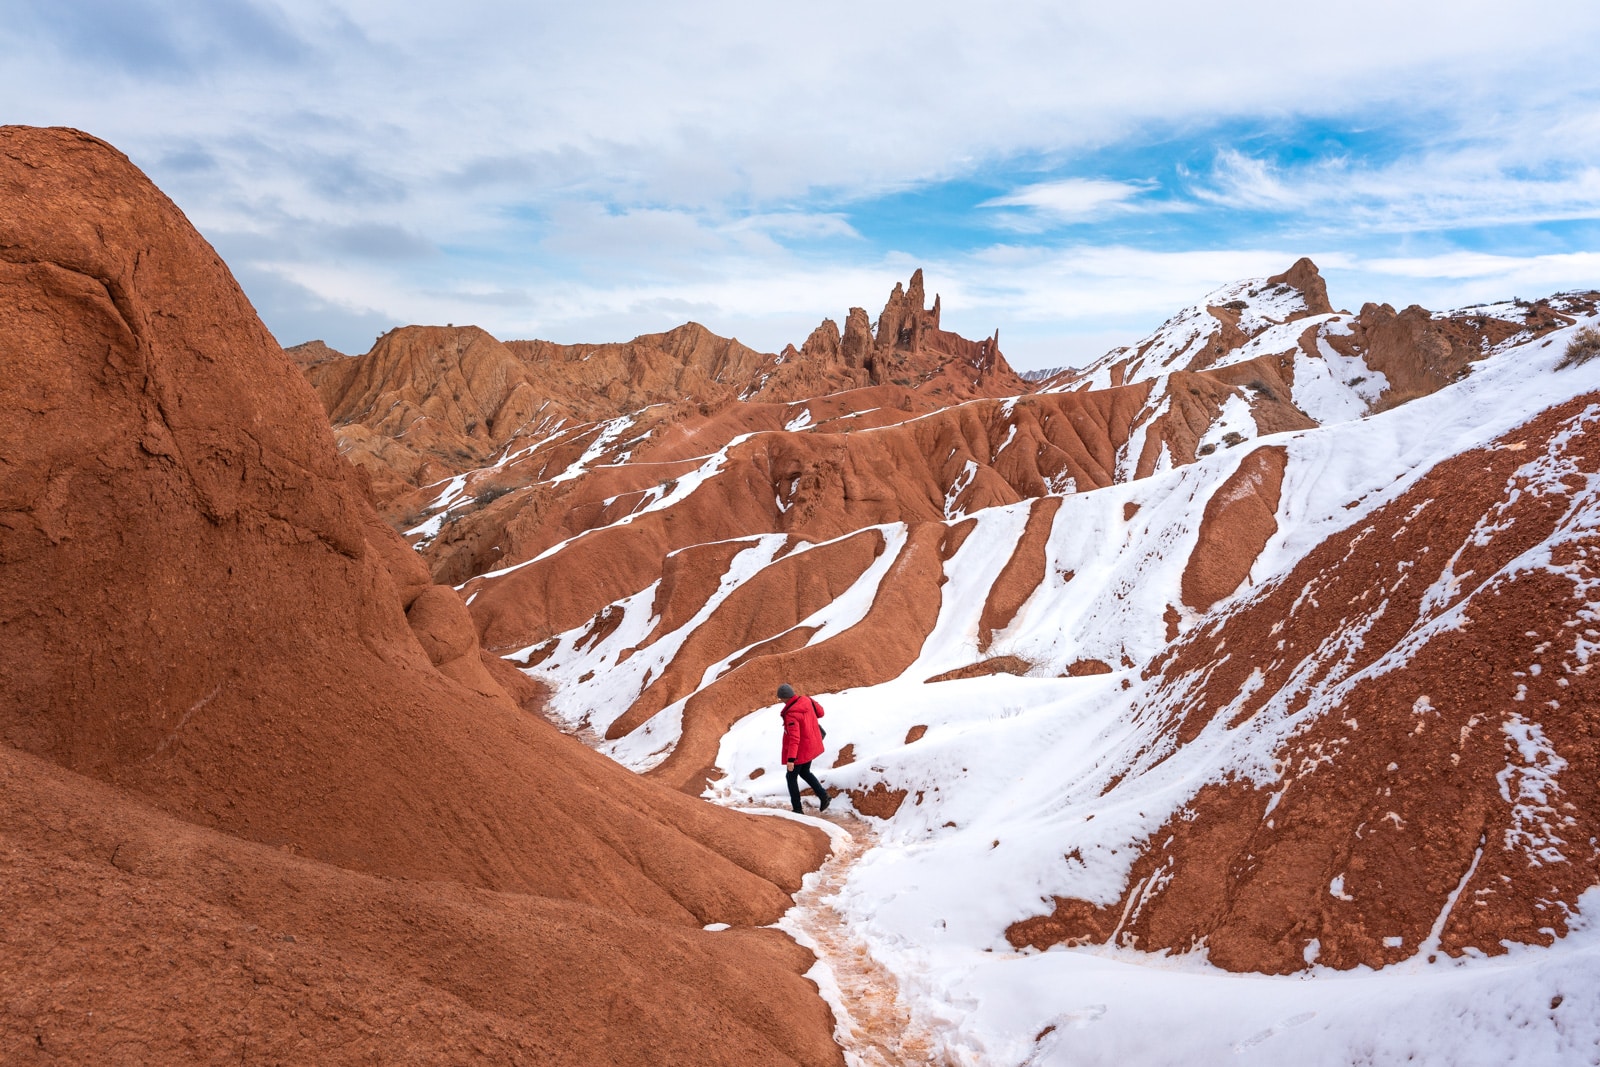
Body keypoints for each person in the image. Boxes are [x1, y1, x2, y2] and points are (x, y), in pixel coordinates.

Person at [777, 683, 830, 814]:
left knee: (791, 778)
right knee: (805, 772)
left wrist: (791, 760)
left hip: (801, 751)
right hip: (811, 745)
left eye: (781, 699)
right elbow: (821, 712)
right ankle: (824, 796)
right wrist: (811, 702)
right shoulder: (806, 700)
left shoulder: (791, 714)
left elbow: (795, 738)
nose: (781, 702)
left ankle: (797, 808)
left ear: (785, 698)